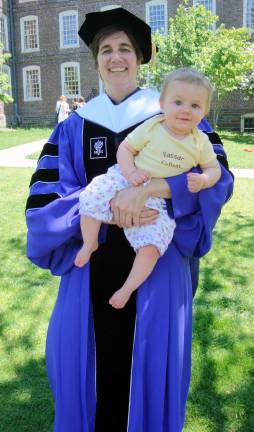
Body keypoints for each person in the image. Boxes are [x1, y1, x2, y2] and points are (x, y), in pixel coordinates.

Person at [25, 7, 233, 432]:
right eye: (106, 49)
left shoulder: (177, 112)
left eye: (125, 48)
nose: (115, 57)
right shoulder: (74, 126)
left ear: (140, 58)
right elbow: (44, 200)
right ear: (96, 60)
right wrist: (108, 202)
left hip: (156, 265)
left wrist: (156, 190)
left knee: (152, 371)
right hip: (91, 270)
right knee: (85, 375)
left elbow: (218, 180)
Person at [75, 68, 221, 310]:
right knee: (90, 196)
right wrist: (130, 173)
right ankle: (89, 242)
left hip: (160, 202)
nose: (186, 109)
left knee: (153, 247)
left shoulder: (200, 140)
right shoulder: (153, 126)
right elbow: (125, 149)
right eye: (178, 102)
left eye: (195, 106)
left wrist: (204, 179)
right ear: (162, 104)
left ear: (204, 111)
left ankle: (127, 289)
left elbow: (214, 169)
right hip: (126, 178)